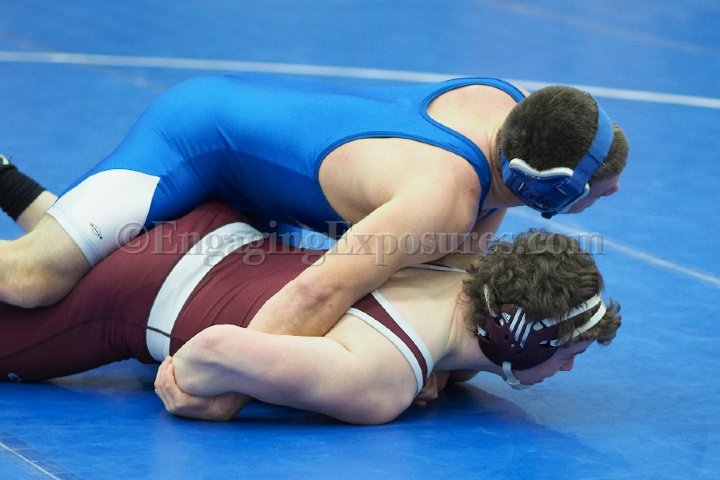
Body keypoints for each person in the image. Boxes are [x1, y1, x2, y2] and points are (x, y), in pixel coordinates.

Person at [0, 74, 628, 347]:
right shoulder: (440, 199)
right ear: (547, 191)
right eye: (597, 189)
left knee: (94, 264)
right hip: (195, 140)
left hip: (257, 189)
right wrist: (223, 381)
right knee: (35, 279)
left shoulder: (504, 113)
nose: (614, 193)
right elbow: (315, 293)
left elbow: (447, 277)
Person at [0, 196, 620, 424]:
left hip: (217, 224)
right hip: (139, 295)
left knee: (58, 258)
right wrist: (203, 396)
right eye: (566, 353)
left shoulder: (456, 262)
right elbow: (213, 349)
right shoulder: (382, 381)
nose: (568, 368)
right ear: (517, 336)